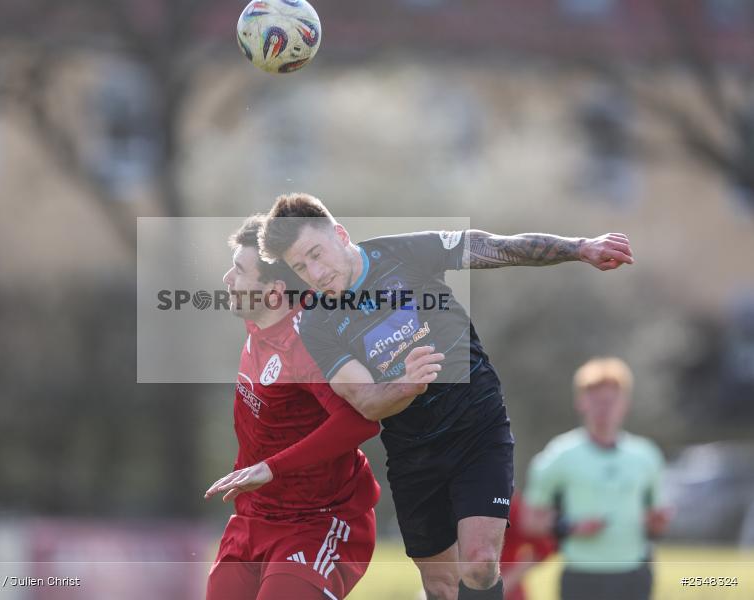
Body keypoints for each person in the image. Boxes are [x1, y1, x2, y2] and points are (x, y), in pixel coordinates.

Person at [258, 193, 634, 600]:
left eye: (316, 254)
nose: (315, 273)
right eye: (301, 267)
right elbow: (365, 402)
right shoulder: (316, 322)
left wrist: (580, 247)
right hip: (413, 453)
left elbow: (497, 247)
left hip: (477, 427)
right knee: (441, 587)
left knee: (479, 564)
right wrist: (406, 384)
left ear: (340, 235)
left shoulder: (404, 252)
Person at [204, 215, 399, 600]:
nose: (228, 279)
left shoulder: (306, 345)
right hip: (253, 518)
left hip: (317, 523)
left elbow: (360, 421)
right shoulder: (260, 320)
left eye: (239, 271)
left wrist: (271, 467)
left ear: (275, 292)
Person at [521, 357, 671, 600]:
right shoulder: (559, 455)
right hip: (582, 574)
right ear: (581, 402)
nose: (604, 408)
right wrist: (570, 527)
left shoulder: (646, 455)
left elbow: (655, 521)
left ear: (624, 404)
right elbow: (530, 520)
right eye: (596, 400)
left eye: (610, 401)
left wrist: (658, 521)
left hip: (634, 573)